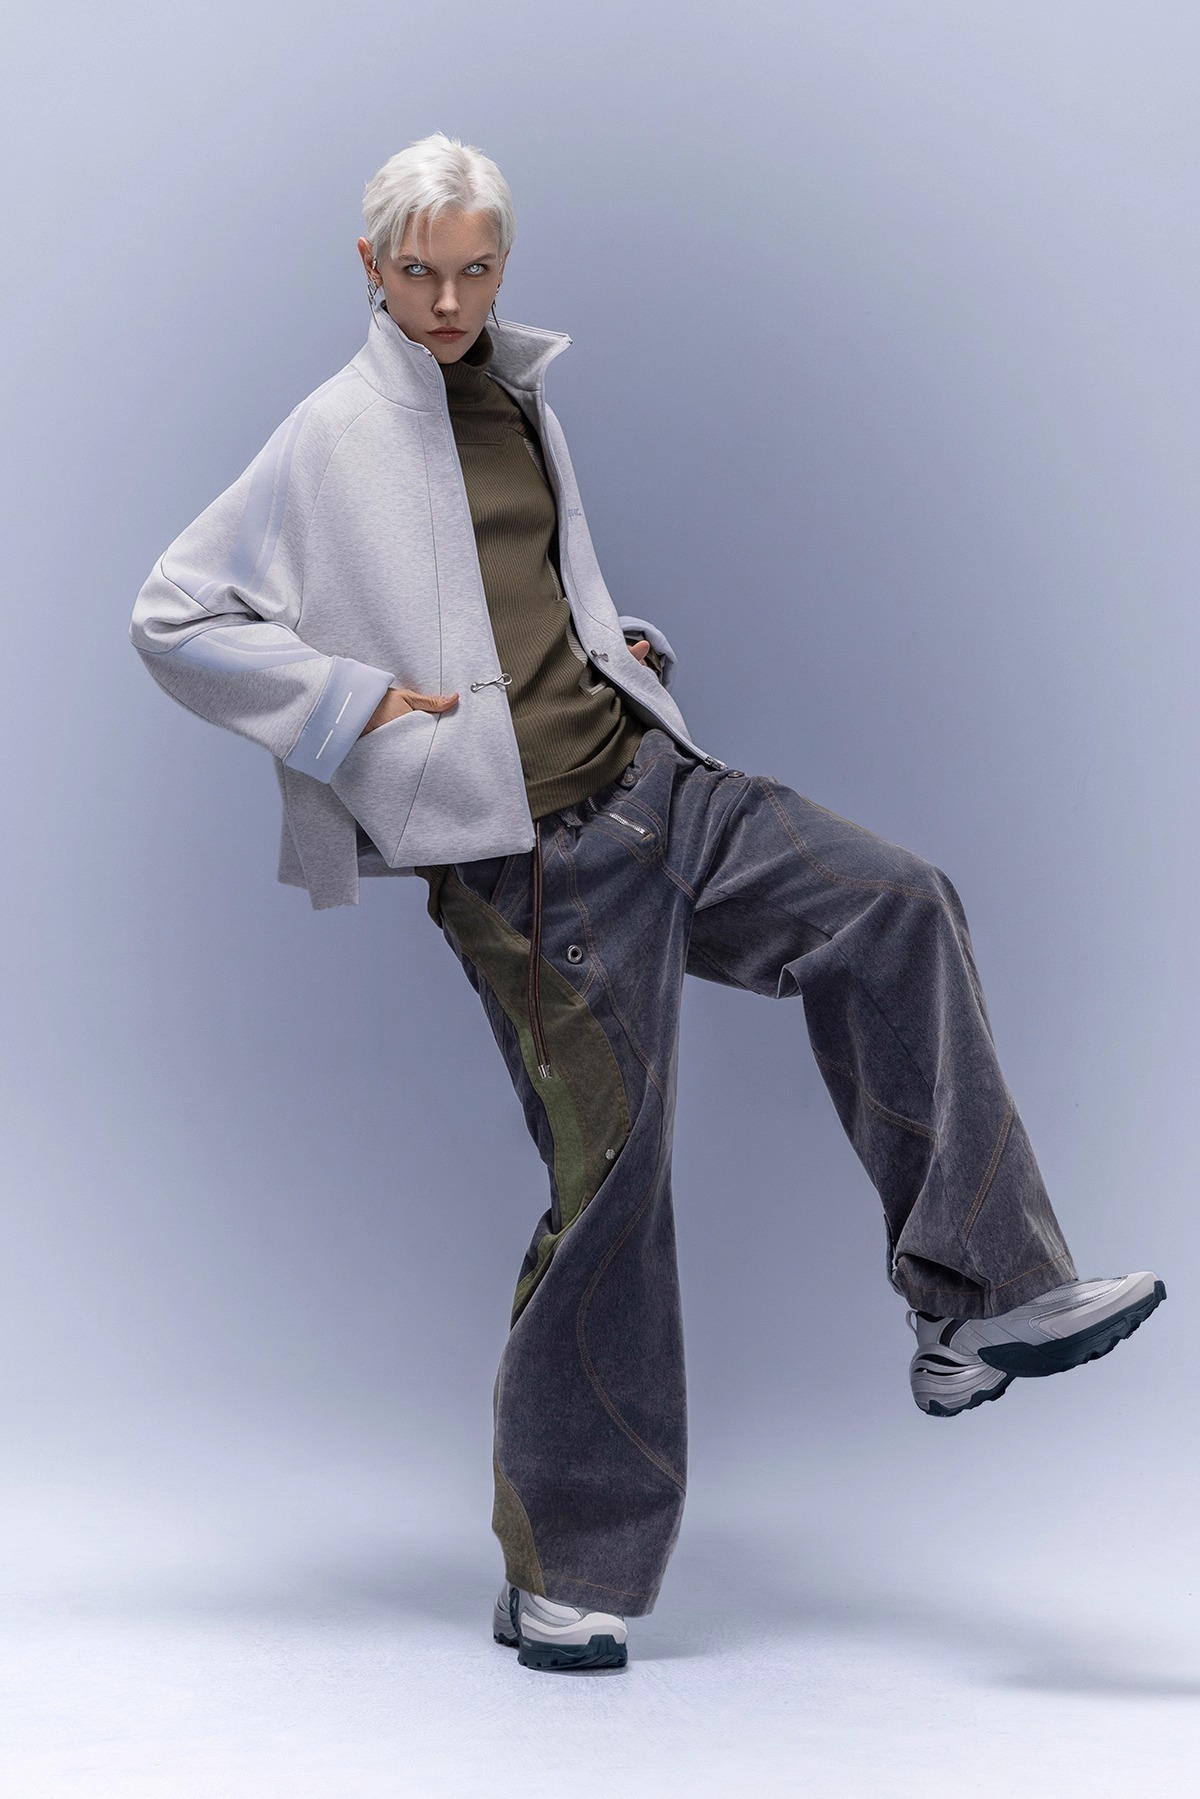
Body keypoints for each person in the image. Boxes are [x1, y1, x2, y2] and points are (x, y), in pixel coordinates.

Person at [130, 131, 1166, 1674]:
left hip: (653, 780)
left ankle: (976, 1300)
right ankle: (567, 1567)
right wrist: (351, 707)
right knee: (613, 1179)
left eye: (476, 269)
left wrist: (614, 651)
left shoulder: (517, 395)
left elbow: (519, 593)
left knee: (896, 904)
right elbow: (174, 615)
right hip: (528, 856)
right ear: (370, 267)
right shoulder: (330, 433)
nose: (449, 300)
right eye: (420, 272)